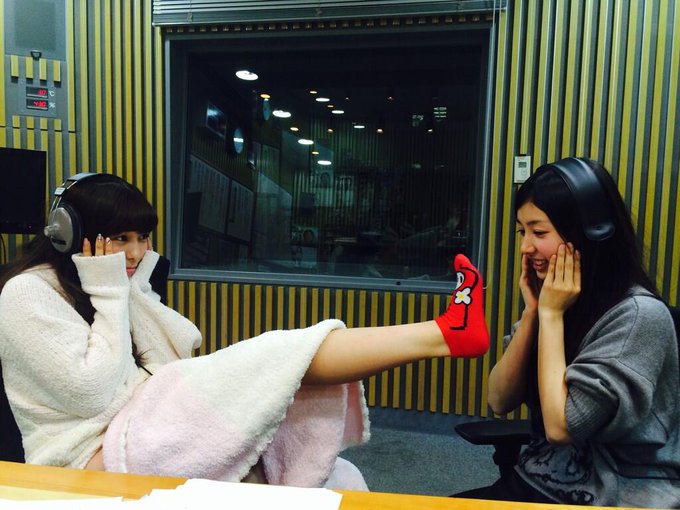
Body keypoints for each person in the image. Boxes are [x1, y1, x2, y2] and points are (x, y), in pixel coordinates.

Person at [0, 172, 490, 489]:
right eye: (120, 238)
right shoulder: (27, 294)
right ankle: (444, 333)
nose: (134, 252)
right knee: (272, 357)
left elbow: (179, 353)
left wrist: (132, 292)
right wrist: (110, 290)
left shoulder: (110, 282)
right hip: (89, 457)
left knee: (342, 477)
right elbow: (89, 393)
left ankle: (447, 333)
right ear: (66, 233)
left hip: (146, 424)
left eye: (143, 237)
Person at [455, 157, 680, 507]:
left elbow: (561, 427)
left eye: (539, 232)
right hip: (538, 481)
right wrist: (533, 313)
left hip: (616, 496)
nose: (526, 247)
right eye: (522, 231)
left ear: (591, 233)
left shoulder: (638, 315)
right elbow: (499, 399)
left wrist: (550, 315)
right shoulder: (558, 304)